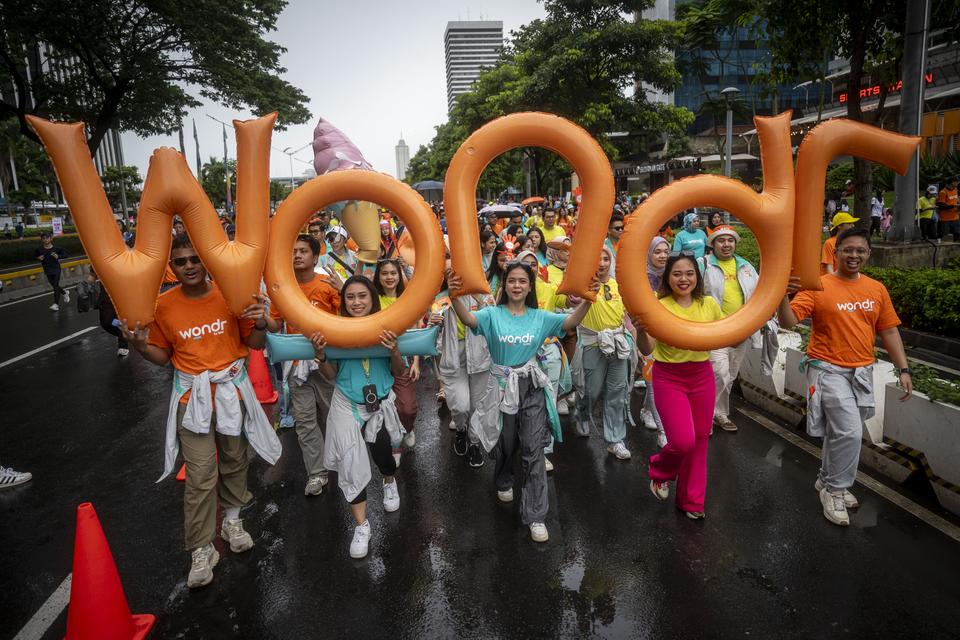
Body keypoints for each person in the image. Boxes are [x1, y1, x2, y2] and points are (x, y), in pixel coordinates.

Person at [121, 234, 281, 588]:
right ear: (171, 267)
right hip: (190, 399)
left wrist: (259, 322)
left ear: (207, 262)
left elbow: (253, 343)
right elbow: (163, 358)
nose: (189, 266)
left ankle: (233, 521)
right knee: (200, 474)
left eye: (195, 259)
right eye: (181, 262)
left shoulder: (230, 294)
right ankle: (201, 547)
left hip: (231, 393)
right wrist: (140, 347)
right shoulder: (162, 306)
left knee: (235, 461)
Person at [448, 261, 597, 543]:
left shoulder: (540, 317)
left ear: (530, 287)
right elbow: (469, 320)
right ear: (504, 285)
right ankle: (503, 477)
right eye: (512, 281)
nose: (517, 286)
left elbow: (568, 323)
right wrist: (455, 297)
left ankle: (536, 515)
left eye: (522, 281)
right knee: (505, 442)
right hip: (501, 387)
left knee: (533, 447)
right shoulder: (492, 314)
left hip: (530, 387)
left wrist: (588, 301)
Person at [777, 228, 912, 527]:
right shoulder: (817, 286)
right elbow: (788, 322)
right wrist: (783, 296)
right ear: (834, 253)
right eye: (847, 250)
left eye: (860, 251)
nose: (854, 256)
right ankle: (835, 491)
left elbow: (888, 330)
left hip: (862, 370)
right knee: (850, 432)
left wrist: (904, 369)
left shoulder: (876, 289)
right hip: (827, 369)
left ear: (868, 254)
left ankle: (826, 479)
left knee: (842, 431)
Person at [308, 277, 406, 559]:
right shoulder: (335, 330)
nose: (356, 302)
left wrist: (394, 350)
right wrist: (321, 355)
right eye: (350, 297)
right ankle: (362, 525)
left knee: (383, 454)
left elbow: (398, 371)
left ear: (372, 298)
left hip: (380, 403)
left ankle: (389, 481)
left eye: (362, 296)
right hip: (347, 403)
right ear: (343, 302)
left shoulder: (387, 326)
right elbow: (330, 375)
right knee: (350, 465)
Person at [633, 251, 723, 520]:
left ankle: (691, 501)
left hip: (701, 374)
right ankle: (659, 472)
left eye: (689, 273)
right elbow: (647, 348)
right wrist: (639, 329)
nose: (684, 279)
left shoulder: (709, 304)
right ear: (667, 277)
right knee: (682, 441)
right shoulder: (658, 306)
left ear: (697, 275)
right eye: (677, 274)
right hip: (669, 376)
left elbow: (721, 336)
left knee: (700, 440)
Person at [264, 234, 340, 497]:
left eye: (303, 251)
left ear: (315, 257)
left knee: (330, 416)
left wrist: (342, 289)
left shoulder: (327, 285)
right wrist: (262, 316)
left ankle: (339, 464)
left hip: (326, 362)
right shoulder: (282, 287)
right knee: (305, 421)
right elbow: (275, 324)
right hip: (296, 366)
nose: (297, 255)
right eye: (293, 251)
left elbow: (347, 320)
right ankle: (317, 474)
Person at [574, 245, 634, 460]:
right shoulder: (582, 286)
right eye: (597, 260)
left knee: (617, 392)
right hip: (592, 344)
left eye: (606, 259)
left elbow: (627, 317)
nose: (601, 264)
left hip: (617, 344)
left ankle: (615, 439)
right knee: (592, 390)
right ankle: (582, 413)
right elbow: (571, 301)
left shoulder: (619, 286)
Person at [699, 226, 758, 432]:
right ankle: (704, 415)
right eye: (721, 241)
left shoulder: (746, 266)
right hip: (714, 330)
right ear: (712, 244)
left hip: (741, 331)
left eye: (730, 240)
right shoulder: (703, 264)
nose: (726, 245)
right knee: (719, 372)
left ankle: (721, 414)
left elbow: (759, 294)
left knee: (731, 375)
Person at [374, 258, 419, 456]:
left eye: (393, 273)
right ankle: (396, 446)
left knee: (407, 408)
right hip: (377, 362)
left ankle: (407, 428)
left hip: (402, 361)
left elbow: (417, 330)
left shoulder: (408, 298)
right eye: (385, 273)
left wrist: (416, 361)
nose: (389, 277)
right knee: (385, 408)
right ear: (378, 276)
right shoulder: (373, 299)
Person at [640, 237, 670, 447]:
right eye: (657, 252)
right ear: (648, 254)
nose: (662, 256)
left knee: (659, 380)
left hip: (668, 337)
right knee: (652, 380)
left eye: (665, 252)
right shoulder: (640, 278)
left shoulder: (673, 276)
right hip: (647, 335)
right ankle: (663, 430)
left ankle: (646, 410)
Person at [34, 232, 69, 311]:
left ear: (51, 238)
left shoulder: (57, 248)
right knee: (54, 285)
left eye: (47, 238)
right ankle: (64, 293)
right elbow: (35, 255)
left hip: (56, 269)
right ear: (42, 240)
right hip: (47, 269)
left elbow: (66, 255)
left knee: (55, 286)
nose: (45, 240)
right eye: (44, 238)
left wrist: (58, 256)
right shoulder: (39, 249)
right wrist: (38, 258)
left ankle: (56, 304)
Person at [936, 175, 958, 242]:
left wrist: (957, 205)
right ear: (952, 182)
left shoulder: (955, 189)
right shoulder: (943, 192)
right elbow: (941, 205)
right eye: (957, 182)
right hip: (945, 218)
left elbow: (956, 200)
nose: (958, 183)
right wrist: (953, 206)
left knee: (957, 233)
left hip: (955, 217)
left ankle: (954, 248)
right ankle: (939, 246)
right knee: (943, 235)